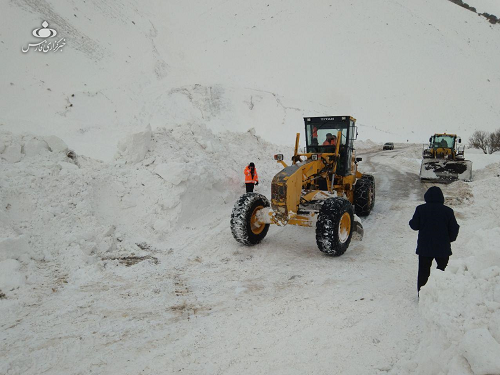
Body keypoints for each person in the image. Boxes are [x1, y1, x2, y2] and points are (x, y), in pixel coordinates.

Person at [409, 186, 460, 294]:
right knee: (443, 271)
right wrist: (448, 240)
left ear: (426, 197)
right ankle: (441, 294)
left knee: (423, 272)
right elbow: (454, 229)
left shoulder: (420, 209)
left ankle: (422, 294)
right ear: (441, 197)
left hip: (425, 248)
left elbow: (414, 225)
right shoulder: (448, 211)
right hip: (442, 248)